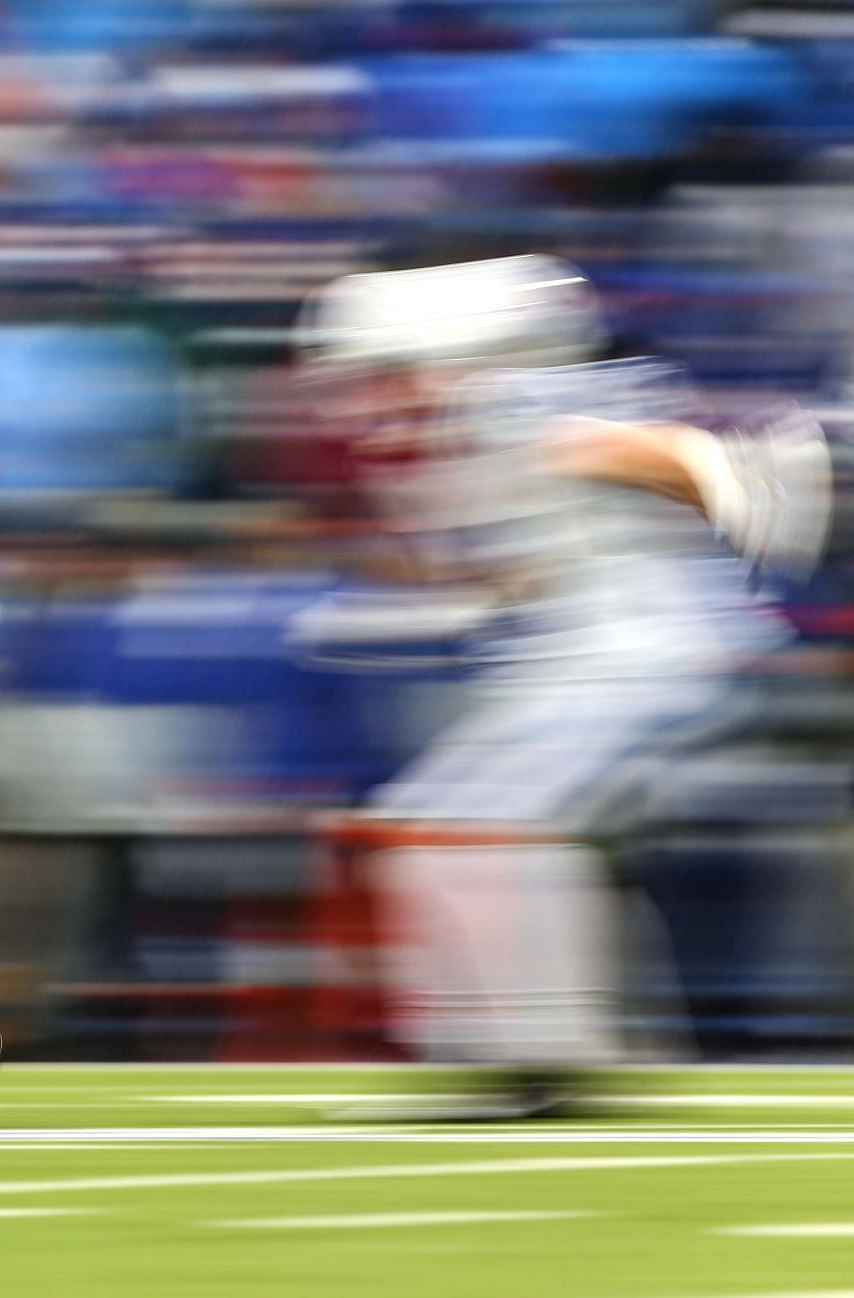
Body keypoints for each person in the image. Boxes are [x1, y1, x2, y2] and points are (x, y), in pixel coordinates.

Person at [296, 255, 791, 1116]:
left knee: (478, 829)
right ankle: (547, 1053)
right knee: (438, 828)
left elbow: (635, 451)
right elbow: (531, 565)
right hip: (598, 659)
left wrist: (732, 481)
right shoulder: (478, 420)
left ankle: (543, 1060)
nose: (369, 396)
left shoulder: (507, 400)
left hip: (639, 657)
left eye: (380, 372)